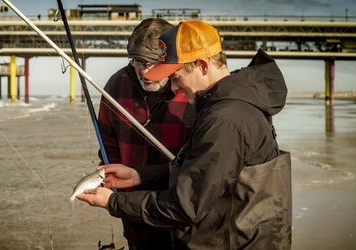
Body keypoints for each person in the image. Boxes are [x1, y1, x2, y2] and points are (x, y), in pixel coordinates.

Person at [80, 21, 292, 249]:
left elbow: (185, 205)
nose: (172, 88)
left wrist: (113, 201)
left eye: (176, 77)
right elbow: (202, 170)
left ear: (201, 65)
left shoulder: (225, 119)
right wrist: (139, 176)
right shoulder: (226, 106)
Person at [97, 18, 195, 250]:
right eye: (138, 62)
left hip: (179, 203)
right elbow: (108, 140)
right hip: (131, 204)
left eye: (153, 62)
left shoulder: (188, 87)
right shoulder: (116, 84)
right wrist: (110, 183)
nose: (145, 70)